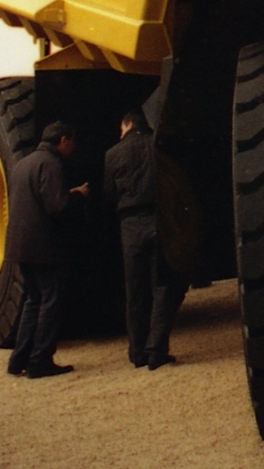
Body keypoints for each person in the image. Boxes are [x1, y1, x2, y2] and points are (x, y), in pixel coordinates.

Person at [104, 109, 188, 370]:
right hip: (159, 219)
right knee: (164, 285)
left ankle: (137, 351)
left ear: (127, 124)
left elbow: (109, 193)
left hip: (129, 224)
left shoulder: (112, 154)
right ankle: (156, 349)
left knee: (135, 291)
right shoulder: (157, 146)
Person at [5, 122, 89, 379]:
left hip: (20, 245)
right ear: (63, 140)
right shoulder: (52, 164)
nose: (74, 146)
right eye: (72, 141)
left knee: (34, 300)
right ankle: (40, 360)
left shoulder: (23, 164)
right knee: (51, 301)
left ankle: (18, 359)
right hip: (43, 247)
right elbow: (57, 206)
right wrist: (77, 195)